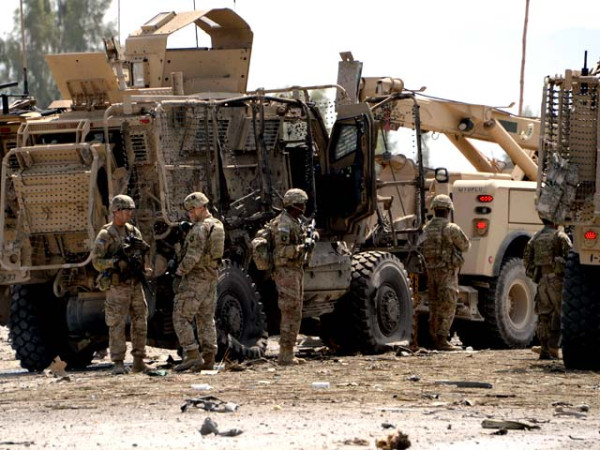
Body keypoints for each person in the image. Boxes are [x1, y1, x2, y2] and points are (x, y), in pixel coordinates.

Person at [92, 195, 150, 375]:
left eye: (131, 210)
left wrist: (143, 266)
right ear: (116, 211)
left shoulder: (133, 232)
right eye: (126, 210)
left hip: (135, 283)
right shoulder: (106, 235)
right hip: (118, 286)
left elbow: (142, 253)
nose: (129, 213)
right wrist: (115, 263)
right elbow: (96, 262)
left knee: (140, 320)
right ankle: (118, 362)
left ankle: (139, 360)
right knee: (116, 323)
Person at [172, 192, 225, 372]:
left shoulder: (200, 229)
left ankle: (192, 354)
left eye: (192, 210)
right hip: (211, 276)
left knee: (180, 317)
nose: (190, 214)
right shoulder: (217, 225)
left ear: (202, 207)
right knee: (206, 319)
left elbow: (192, 257)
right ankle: (209, 358)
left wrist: (179, 273)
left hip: (196, 278)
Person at [269, 188, 315, 365]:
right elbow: (281, 251)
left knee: (295, 311)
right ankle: (285, 355)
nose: (304, 207)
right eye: (301, 203)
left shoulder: (295, 221)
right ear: (294, 205)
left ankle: (289, 352)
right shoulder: (283, 224)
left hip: (295, 270)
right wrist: (302, 248)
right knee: (290, 311)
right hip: (286, 271)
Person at [421, 194, 470, 351]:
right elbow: (465, 246)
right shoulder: (451, 228)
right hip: (446, 271)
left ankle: (433, 338)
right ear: (449, 210)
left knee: (434, 304)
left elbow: (420, 248)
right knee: (448, 304)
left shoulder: (425, 229)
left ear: (434, 209)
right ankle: (442, 339)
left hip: (430, 271)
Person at [523, 219, 572, 360]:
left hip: (542, 281)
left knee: (544, 317)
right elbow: (570, 257)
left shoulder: (535, 237)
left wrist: (535, 274)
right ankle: (564, 348)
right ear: (556, 222)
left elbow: (526, 259)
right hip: (557, 280)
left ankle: (545, 349)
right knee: (564, 314)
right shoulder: (560, 236)